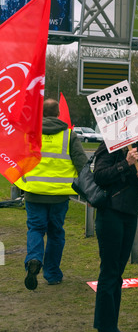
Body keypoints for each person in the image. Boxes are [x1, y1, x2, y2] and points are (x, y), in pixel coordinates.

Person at [15, 98, 87, 290]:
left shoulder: (30, 134)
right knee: (56, 233)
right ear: (58, 114)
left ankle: (34, 259)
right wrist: (90, 189)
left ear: (41, 114)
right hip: (59, 195)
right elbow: (82, 164)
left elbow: (17, 158)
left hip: (33, 192)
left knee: (35, 229)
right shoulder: (69, 136)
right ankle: (52, 273)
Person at [93, 141, 138, 332]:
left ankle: (110, 327)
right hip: (110, 213)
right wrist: (125, 163)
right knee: (110, 272)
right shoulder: (109, 146)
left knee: (117, 272)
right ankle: (106, 329)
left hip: (129, 214)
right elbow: (99, 177)